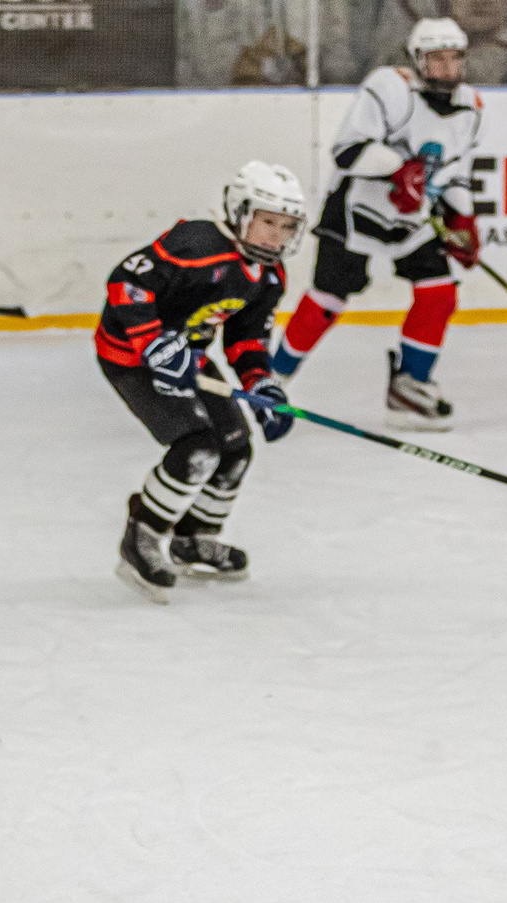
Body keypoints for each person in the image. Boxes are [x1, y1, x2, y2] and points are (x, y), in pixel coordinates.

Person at [96, 162, 303, 603]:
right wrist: (152, 344)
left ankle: (193, 538)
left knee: (236, 448)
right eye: (267, 220)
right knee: (197, 447)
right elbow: (126, 283)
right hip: (131, 359)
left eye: (286, 226)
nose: (275, 235)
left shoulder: (270, 275)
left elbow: (246, 337)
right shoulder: (196, 243)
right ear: (238, 210)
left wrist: (260, 383)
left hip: (186, 356)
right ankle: (142, 539)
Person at [268, 19, 484, 431]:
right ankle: (271, 380)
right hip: (356, 212)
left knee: (438, 292)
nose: (446, 68)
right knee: (328, 298)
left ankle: (410, 385)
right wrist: (399, 170)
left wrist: (463, 221)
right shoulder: (390, 87)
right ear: (417, 60)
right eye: (435, 59)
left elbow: (455, 174)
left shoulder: (471, 109)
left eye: (454, 58)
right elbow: (348, 151)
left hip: (413, 220)